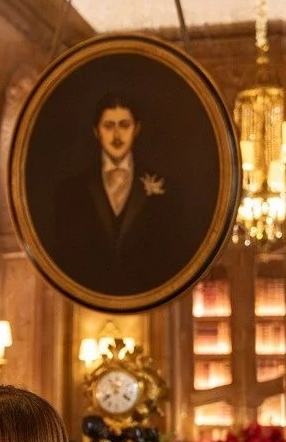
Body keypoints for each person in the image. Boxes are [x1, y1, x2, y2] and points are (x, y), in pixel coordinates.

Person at [33, 90, 208, 301]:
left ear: (136, 129)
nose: (117, 135)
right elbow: (64, 255)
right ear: (96, 131)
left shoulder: (168, 191)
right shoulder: (70, 190)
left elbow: (173, 255)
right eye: (108, 126)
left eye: (124, 125)